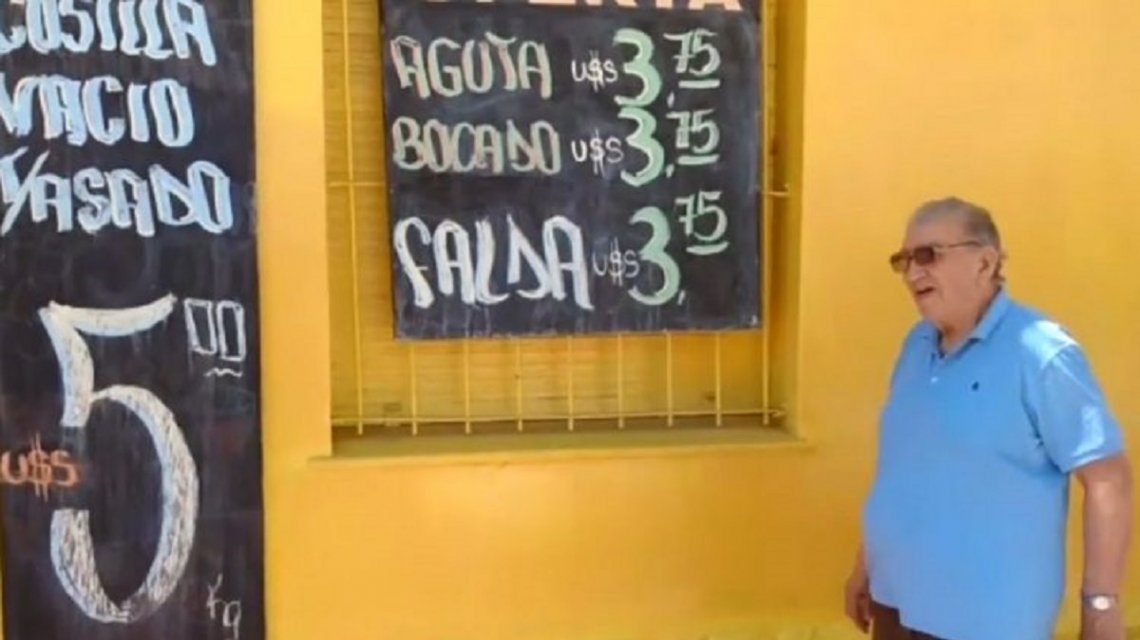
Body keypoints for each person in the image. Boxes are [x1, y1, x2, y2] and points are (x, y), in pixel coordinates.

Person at [845, 197, 1133, 640]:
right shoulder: (917, 345)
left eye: (928, 255)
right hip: (896, 603)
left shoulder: (1039, 352)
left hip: (983, 620)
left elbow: (1107, 478)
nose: (913, 273)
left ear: (985, 262)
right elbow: (902, 469)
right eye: (904, 261)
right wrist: (866, 565)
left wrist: (1101, 606)